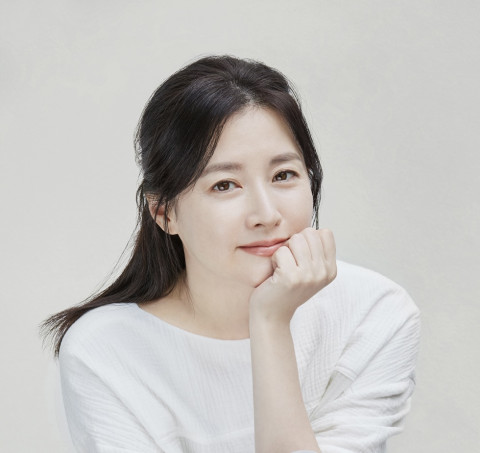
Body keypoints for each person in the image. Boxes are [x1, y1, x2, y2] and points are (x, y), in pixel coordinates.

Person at [42, 55, 420, 453]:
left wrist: (270, 322)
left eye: (283, 175)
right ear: (164, 213)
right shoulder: (106, 350)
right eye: (224, 185)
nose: (266, 215)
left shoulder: (373, 314)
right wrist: (270, 319)